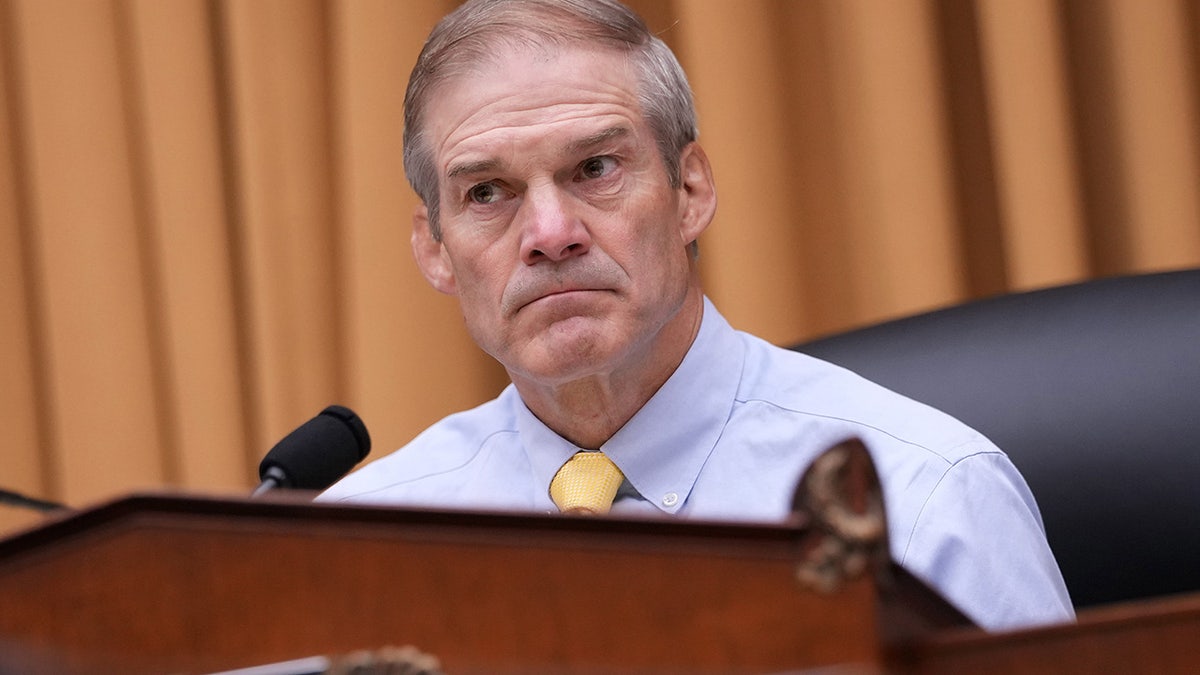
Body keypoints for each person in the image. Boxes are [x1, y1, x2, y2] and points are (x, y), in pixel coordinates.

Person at [320, 0, 1074, 632]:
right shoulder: (355, 548)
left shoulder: (929, 497)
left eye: (595, 169)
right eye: (487, 192)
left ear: (690, 190)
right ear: (436, 249)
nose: (551, 234)